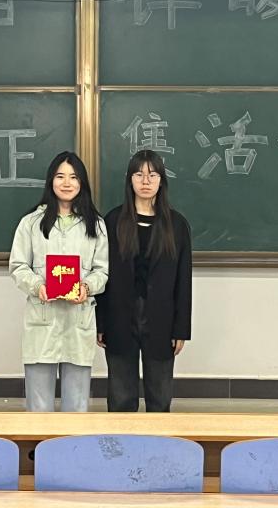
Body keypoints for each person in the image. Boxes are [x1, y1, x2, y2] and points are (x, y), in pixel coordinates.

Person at [9, 151, 108, 412]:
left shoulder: (95, 224)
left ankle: (72, 443)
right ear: (50, 181)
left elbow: (102, 271)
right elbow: (18, 266)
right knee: (38, 406)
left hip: (78, 318)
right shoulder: (31, 223)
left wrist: (87, 287)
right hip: (43, 317)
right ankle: (38, 442)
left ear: (82, 183)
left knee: (77, 406)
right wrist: (37, 286)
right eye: (60, 176)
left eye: (73, 177)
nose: (66, 183)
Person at [97, 149, 192, 412]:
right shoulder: (113, 221)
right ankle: (120, 437)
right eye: (139, 175)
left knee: (160, 396)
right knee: (120, 396)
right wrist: (100, 322)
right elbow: (102, 275)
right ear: (130, 180)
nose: (146, 181)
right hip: (119, 317)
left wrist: (181, 329)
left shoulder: (176, 225)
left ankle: (157, 438)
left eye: (153, 175)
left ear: (162, 180)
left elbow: (183, 281)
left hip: (161, 319)